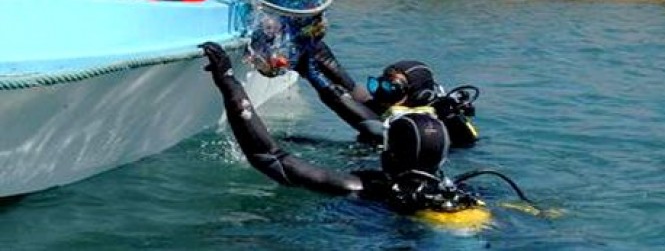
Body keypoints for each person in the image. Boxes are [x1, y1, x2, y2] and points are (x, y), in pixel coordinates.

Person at [200, 42, 527, 224]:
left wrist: (228, 81)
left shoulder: (367, 188)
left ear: (388, 154)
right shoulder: (464, 190)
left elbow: (268, 156)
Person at [296, 40, 481, 148]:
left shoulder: (417, 125)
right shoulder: (391, 105)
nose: (381, 93)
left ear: (417, 96)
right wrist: (313, 43)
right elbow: (348, 84)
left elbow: (349, 109)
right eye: (380, 84)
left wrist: (313, 75)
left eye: (390, 88)